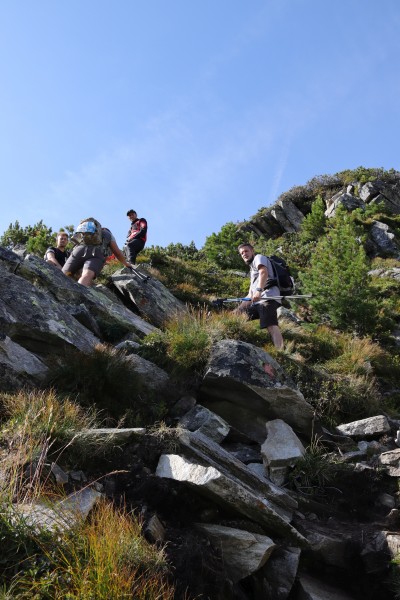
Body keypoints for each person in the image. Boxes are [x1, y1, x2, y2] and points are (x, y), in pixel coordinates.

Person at [236, 243, 284, 349]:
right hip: (257, 302)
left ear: (252, 251)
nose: (244, 254)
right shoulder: (252, 269)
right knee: (238, 317)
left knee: (271, 325)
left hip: (268, 298)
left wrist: (259, 291)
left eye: (246, 251)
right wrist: (238, 310)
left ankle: (281, 351)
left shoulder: (259, 258)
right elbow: (250, 295)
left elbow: (263, 272)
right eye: (242, 253)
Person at [62, 221, 132, 287]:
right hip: (96, 254)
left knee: (65, 273)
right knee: (87, 275)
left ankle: (59, 287)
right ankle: (79, 293)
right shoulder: (108, 234)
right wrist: (126, 263)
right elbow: (117, 252)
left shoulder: (87, 231)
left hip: (79, 250)